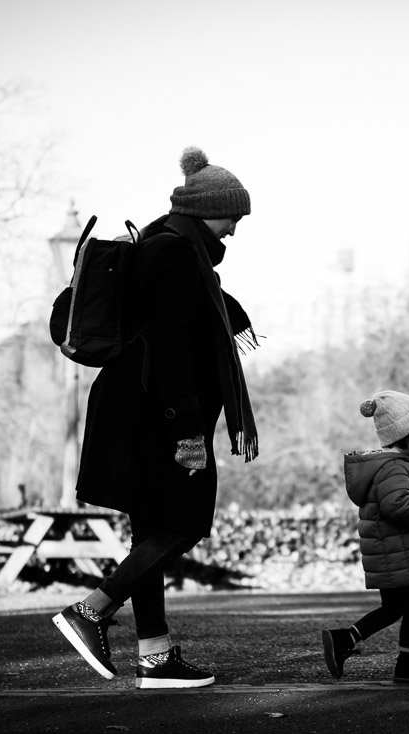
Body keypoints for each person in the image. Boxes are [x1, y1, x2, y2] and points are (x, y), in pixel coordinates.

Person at [53, 146, 259, 689]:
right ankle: (91, 610)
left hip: (137, 409)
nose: (236, 228)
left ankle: (155, 657)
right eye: (232, 215)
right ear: (204, 209)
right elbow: (170, 349)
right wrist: (188, 431)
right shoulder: (173, 254)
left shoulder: (163, 246)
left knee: (149, 533)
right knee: (184, 522)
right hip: (155, 415)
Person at [322, 390, 409, 683]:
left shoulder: (389, 466)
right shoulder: (393, 468)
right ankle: (407, 664)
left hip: (393, 551)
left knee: (394, 608)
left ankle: (345, 640)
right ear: (403, 433)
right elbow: (398, 506)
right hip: (398, 553)